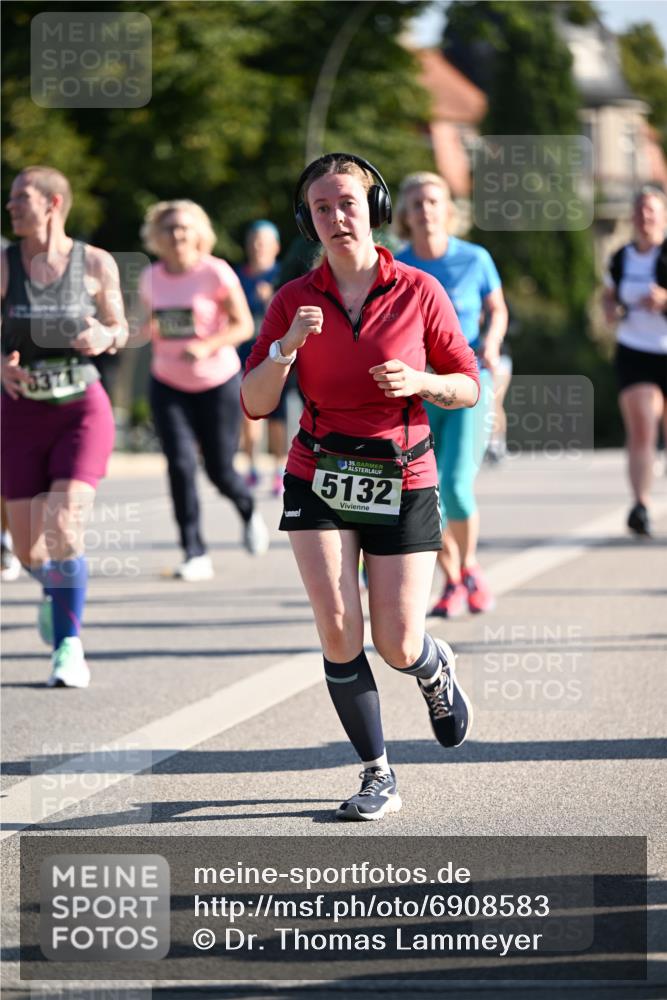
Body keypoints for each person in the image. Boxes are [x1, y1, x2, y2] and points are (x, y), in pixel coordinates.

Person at [241, 153, 480, 821]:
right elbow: (255, 403)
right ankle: (377, 772)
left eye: (347, 202)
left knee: (397, 641)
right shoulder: (292, 299)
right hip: (317, 470)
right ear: (307, 220)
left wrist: (423, 383)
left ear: (373, 209)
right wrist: (285, 348)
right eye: (322, 207)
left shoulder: (418, 291)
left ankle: (432, 667)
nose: (336, 216)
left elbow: (467, 384)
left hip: (401, 472)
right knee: (338, 627)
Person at [1, 165, 128, 687]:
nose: (10, 207)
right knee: (30, 549)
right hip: (20, 412)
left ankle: (68, 646)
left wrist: (104, 335)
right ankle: (56, 596)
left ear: (53, 203)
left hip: (81, 409)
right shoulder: (6, 264)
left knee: (64, 526)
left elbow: (121, 326)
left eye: (20, 198)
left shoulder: (95, 262)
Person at [395, 172, 508, 617]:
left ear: (448, 209)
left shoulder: (474, 258)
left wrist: (493, 341)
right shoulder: (397, 265)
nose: (425, 209)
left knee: (456, 485)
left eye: (434, 201)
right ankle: (457, 577)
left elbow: (496, 307)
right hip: (417, 390)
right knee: (425, 490)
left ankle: (466, 570)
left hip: (465, 384)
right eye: (417, 202)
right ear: (404, 212)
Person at [139, 199, 269, 582]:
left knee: (218, 470)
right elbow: (145, 325)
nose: (177, 235)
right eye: (168, 228)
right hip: (167, 383)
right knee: (179, 465)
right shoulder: (150, 278)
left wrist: (208, 345)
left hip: (217, 381)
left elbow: (244, 325)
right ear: (156, 237)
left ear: (198, 233)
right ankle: (194, 551)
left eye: (184, 227)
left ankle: (247, 509)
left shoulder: (215, 273)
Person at [603, 185, 667, 537]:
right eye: (640, 211)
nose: (645, 218)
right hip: (635, 351)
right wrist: (610, 310)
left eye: (652, 211)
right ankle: (641, 505)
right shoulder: (621, 257)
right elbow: (608, 298)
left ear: (663, 216)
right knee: (643, 426)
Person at [236, 220, 287, 495]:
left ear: (275, 247)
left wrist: (270, 299)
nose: (258, 247)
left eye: (264, 242)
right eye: (254, 241)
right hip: (245, 353)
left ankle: (279, 469)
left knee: (277, 417)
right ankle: (252, 466)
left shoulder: (282, 275)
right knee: (249, 413)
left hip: (277, 354)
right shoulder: (237, 276)